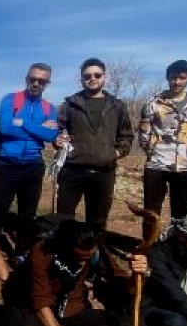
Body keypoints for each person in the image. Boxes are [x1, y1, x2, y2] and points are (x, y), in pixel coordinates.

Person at [19, 220, 148, 326]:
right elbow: (40, 302)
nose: (83, 261)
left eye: (87, 257)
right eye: (78, 256)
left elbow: (122, 286)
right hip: (43, 314)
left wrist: (138, 275)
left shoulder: (96, 250)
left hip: (75, 313)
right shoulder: (42, 252)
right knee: (22, 323)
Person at [54, 58, 134, 231]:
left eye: (97, 75)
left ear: (105, 77)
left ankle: (94, 256)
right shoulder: (70, 105)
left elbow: (127, 136)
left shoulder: (117, 106)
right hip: (72, 170)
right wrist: (57, 140)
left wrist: (115, 153)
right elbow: (58, 132)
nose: (92, 78)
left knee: (97, 221)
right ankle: (63, 256)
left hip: (104, 172)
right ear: (81, 79)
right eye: (87, 76)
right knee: (63, 218)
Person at [139, 60, 187, 240]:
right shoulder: (154, 102)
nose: (177, 82)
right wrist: (152, 151)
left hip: (184, 166)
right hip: (156, 164)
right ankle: (149, 249)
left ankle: (176, 250)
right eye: (173, 77)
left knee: (181, 213)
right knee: (151, 211)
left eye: (181, 78)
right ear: (168, 78)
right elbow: (144, 132)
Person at [0, 63, 60, 223]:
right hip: (6, 163)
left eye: (41, 81)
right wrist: (39, 128)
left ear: (47, 84)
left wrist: (23, 123)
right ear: (26, 78)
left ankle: (23, 248)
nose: (36, 84)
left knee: (28, 214)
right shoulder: (10, 99)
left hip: (33, 165)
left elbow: (50, 135)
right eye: (32, 79)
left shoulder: (50, 108)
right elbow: (6, 128)